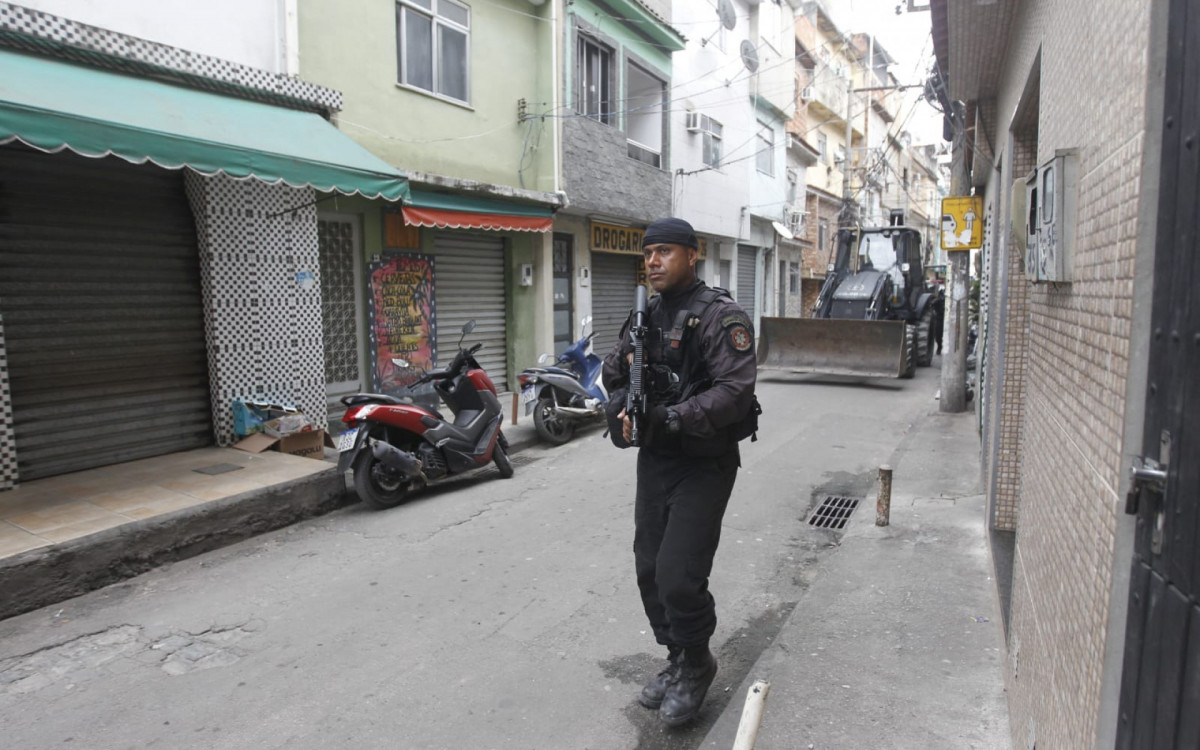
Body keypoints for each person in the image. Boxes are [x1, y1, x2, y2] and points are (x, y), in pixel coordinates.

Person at [601, 217, 758, 727]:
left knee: (678, 574)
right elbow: (614, 371)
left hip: (704, 462)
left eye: (665, 252)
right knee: (649, 567)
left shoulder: (720, 317)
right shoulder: (644, 315)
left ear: (694, 256)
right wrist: (623, 409)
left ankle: (698, 664)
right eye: (648, 254)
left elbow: (734, 392)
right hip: (658, 460)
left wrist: (671, 416)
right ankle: (677, 657)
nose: (653, 262)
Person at [931, 284, 946, 355]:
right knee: (938, 335)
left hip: (946, 319)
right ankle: (939, 347)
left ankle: (942, 347)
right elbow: (931, 304)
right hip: (939, 319)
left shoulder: (946, 300)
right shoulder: (937, 301)